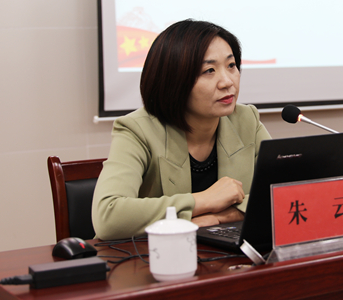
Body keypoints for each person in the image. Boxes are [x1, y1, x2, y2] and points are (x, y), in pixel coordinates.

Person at [92, 19, 271, 240]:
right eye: (209, 70)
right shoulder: (137, 130)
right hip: (160, 255)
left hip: (232, 255)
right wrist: (203, 200)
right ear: (174, 81)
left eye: (231, 65)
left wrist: (219, 218)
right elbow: (108, 217)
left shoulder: (246, 120)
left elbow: (285, 192)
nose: (227, 82)